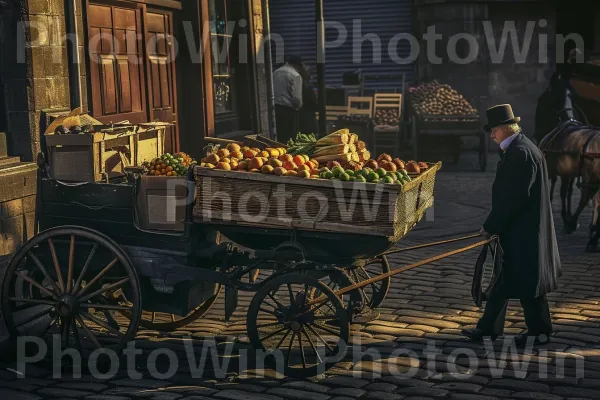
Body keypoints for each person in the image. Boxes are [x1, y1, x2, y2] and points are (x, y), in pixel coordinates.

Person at [462, 104, 562, 347]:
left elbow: (514, 198)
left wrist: (491, 226)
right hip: (520, 230)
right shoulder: (521, 148)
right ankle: (488, 329)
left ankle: (540, 331)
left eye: (493, 129)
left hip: (524, 232)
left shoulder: (520, 153)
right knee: (503, 280)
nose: (491, 134)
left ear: (505, 128)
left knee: (530, 284)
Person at [273, 56, 303, 144]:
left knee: (279, 135)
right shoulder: (295, 75)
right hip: (289, 110)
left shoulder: (276, 72)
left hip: (276, 108)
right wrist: (299, 107)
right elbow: (297, 97)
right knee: (290, 136)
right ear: (298, 65)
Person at [298, 64, 318, 134]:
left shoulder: (297, 87)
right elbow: (315, 105)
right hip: (308, 121)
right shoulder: (308, 90)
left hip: (299, 122)